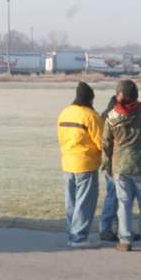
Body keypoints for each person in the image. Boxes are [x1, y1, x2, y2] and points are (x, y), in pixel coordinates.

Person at [102, 79, 141, 251]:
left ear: (118, 95)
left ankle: (125, 240)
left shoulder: (112, 117)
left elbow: (106, 144)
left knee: (124, 204)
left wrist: (107, 165)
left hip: (120, 167)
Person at [56, 81, 104, 248]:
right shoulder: (90, 116)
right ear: (90, 99)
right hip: (86, 163)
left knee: (71, 202)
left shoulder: (65, 113)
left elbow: (61, 137)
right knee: (85, 202)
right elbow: (101, 142)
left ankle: (72, 234)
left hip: (67, 162)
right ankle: (79, 238)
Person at [97, 95, 121, 242]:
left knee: (117, 196)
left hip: (109, 162)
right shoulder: (112, 118)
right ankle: (105, 228)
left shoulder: (104, 117)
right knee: (114, 196)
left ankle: (120, 228)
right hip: (114, 163)